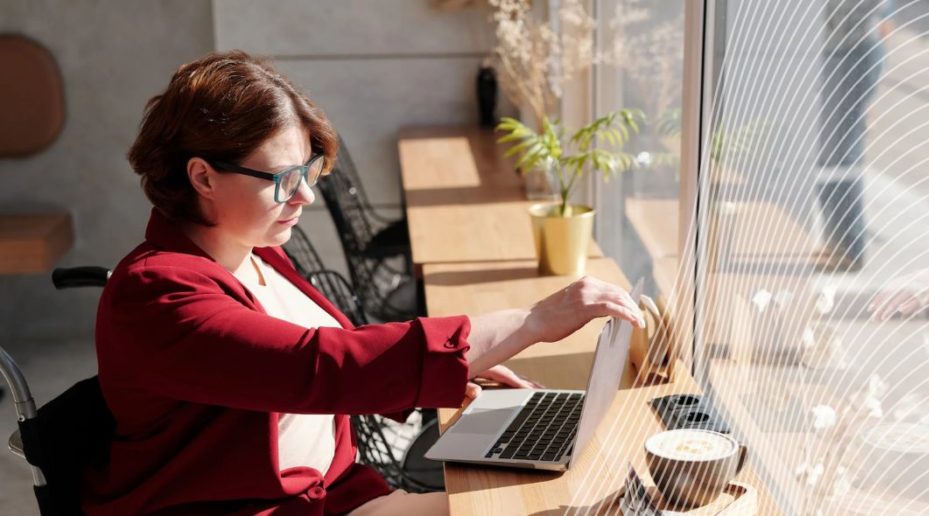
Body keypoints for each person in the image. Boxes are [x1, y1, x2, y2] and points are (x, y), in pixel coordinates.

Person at [83, 50, 645, 515]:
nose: (304, 196)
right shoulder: (156, 294)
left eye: (307, 172)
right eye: (282, 179)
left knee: (555, 494)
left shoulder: (250, 252)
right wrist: (531, 321)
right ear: (202, 175)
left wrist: (456, 364)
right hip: (260, 508)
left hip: (334, 495)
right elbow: (320, 365)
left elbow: (322, 360)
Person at [813, 0, 893, 272]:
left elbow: (876, 13)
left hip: (852, 50)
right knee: (830, 150)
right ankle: (837, 241)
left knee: (840, 152)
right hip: (841, 49)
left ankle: (848, 247)